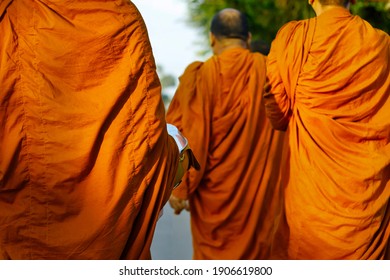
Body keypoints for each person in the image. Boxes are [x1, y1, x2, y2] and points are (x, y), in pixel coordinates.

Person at [0, 0, 198, 259]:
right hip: (109, 235)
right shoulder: (120, 14)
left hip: (19, 229)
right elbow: (145, 140)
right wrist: (176, 153)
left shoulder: (11, 15)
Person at [264, 0, 389, 259]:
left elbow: (277, 114)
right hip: (368, 198)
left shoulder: (293, 38)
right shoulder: (382, 44)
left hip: (312, 197)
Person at [166, 8, 286, 260]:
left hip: (214, 211)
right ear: (249, 38)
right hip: (262, 204)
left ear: (212, 39)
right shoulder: (271, 72)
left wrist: (180, 188)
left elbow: (187, 137)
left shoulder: (199, 77)